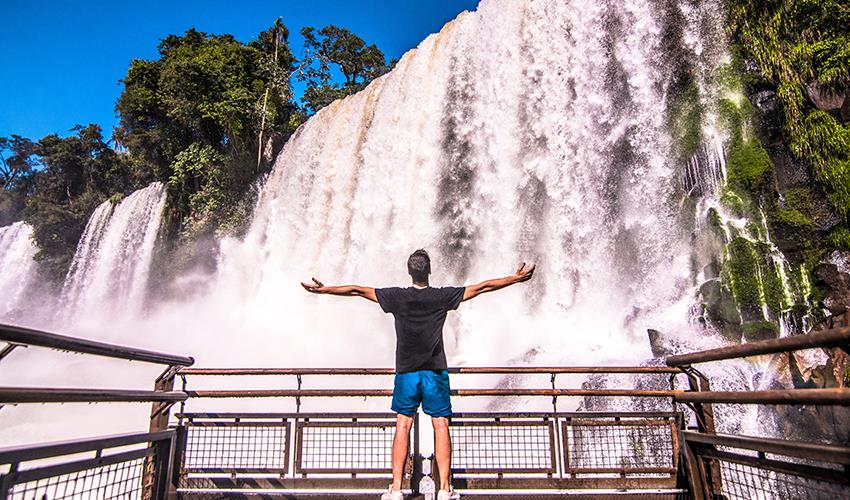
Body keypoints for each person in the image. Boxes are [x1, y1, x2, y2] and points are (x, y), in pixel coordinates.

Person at [302, 249, 535, 500]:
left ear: (409, 271)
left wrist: (324, 290)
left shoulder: (396, 297)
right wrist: (514, 278)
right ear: (430, 270)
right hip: (435, 372)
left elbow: (357, 290)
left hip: (407, 373)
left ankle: (396, 489)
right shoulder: (442, 296)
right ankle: (445, 489)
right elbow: (482, 287)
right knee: (441, 425)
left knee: (403, 425)